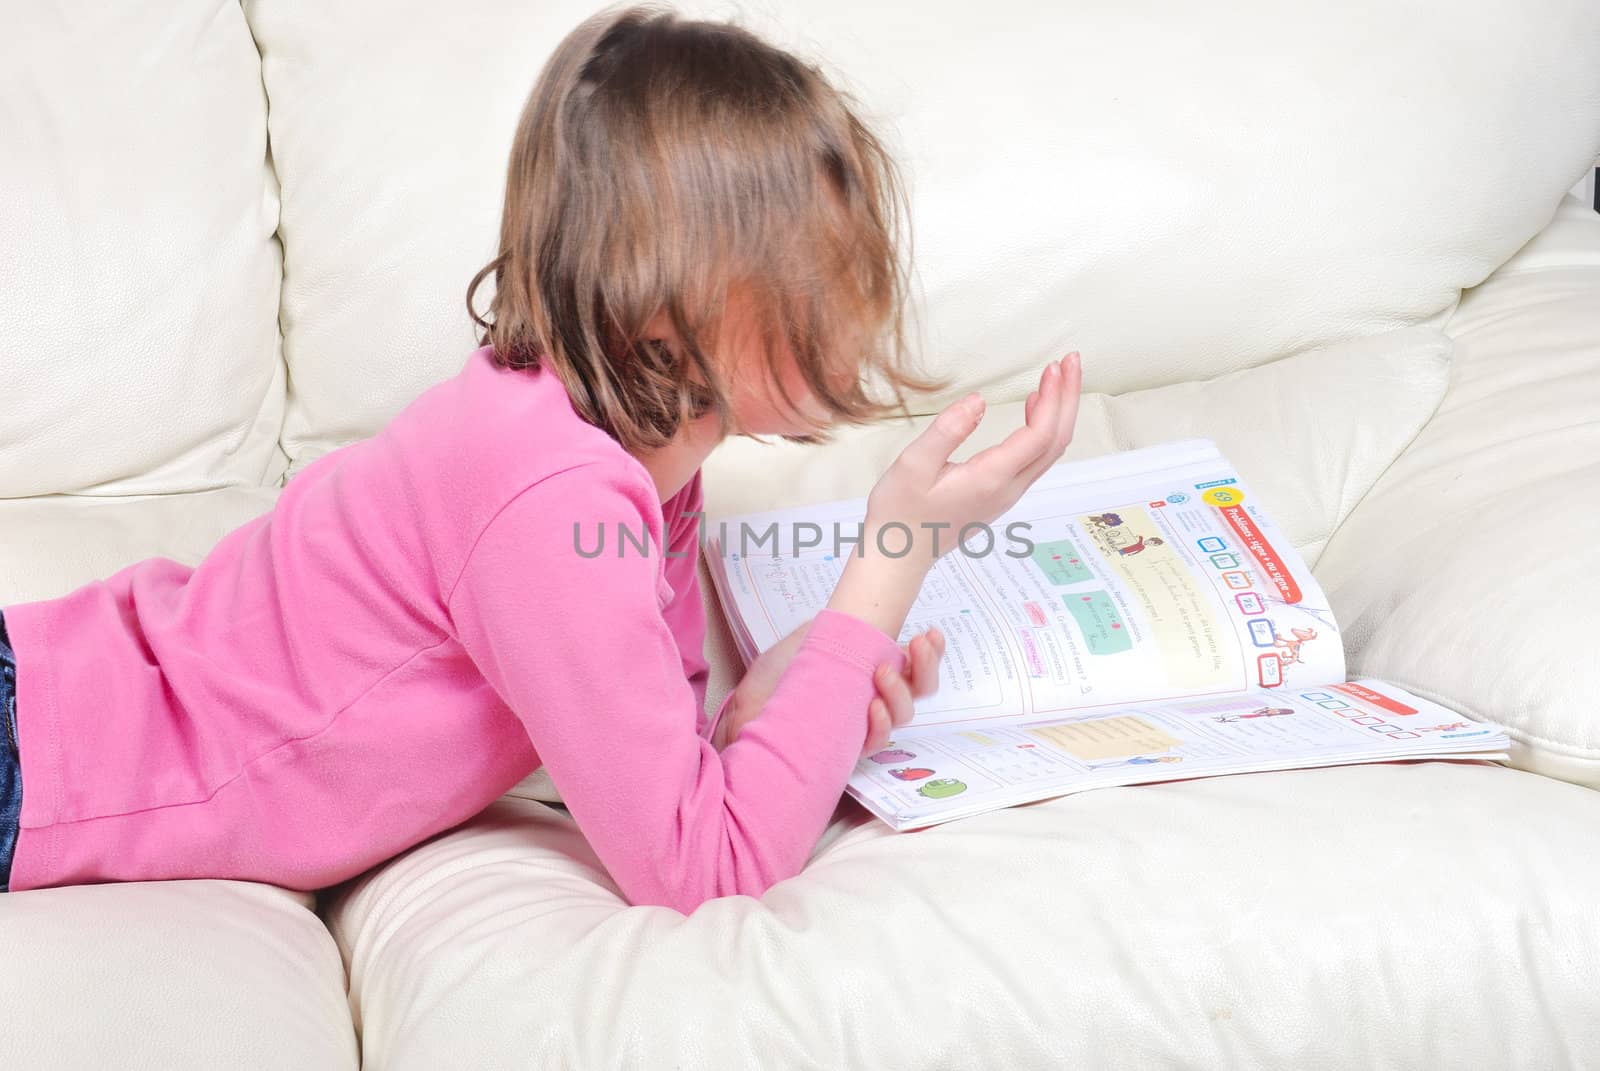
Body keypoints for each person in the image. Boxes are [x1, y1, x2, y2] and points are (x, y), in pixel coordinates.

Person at [0, 3, 1081, 911]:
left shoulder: (631, 461)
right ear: (679, 291)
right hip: (39, 752)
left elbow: (651, 760)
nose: (856, 300)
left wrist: (785, 699)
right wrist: (885, 574)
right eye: (822, 266)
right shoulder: (549, 490)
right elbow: (705, 868)